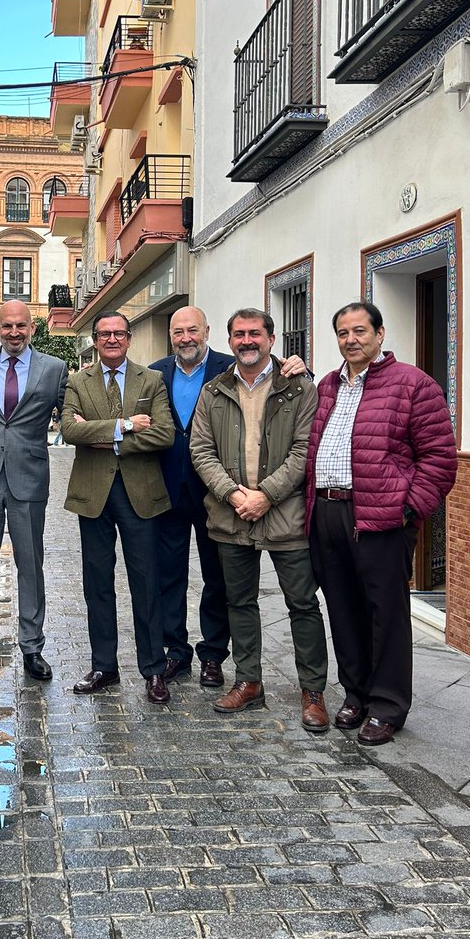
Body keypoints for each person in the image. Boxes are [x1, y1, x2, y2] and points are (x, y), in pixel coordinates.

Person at [305, 302, 457, 746]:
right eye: (342, 332)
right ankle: (356, 696)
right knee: (343, 610)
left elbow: (440, 460)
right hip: (328, 515)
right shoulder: (329, 385)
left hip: (381, 518)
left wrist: (408, 511)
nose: (351, 340)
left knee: (385, 615)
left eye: (359, 331)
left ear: (380, 333)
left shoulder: (413, 385)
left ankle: (388, 706)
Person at [151, 307, 308, 687]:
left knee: (218, 579)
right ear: (170, 337)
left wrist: (301, 365)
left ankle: (213, 654)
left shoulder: (230, 365)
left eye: (192, 329)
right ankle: (175, 651)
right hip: (168, 490)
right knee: (168, 576)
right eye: (177, 332)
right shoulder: (155, 373)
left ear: (207, 331)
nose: (185, 337)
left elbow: (287, 380)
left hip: (220, 496)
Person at [190, 308, 329, 733]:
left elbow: (306, 449)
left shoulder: (298, 387)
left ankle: (313, 690)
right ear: (229, 341)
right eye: (239, 335)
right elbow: (201, 450)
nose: (246, 341)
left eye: (254, 334)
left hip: (285, 515)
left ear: (271, 338)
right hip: (232, 515)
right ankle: (249, 682)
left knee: (302, 603)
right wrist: (234, 495)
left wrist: (266, 495)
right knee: (239, 603)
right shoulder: (214, 390)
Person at [61, 312, 175, 705]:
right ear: (94, 339)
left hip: (140, 493)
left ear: (128, 339)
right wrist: (124, 426)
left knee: (146, 583)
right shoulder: (77, 381)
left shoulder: (152, 380)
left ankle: (154, 671)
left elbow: (164, 434)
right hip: (93, 494)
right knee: (97, 584)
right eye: (104, 334)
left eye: (118, 334)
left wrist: (102, 438)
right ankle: (104, 666)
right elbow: (69, 430)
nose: (111, 339)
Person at [0, 301, 68, 682]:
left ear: (32, 327)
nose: (14, 332)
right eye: (7, 326)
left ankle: (32, 646)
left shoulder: (54, 369)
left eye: (21, 325)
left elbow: (73, 416)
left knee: (30, 565)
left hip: (29, 478)